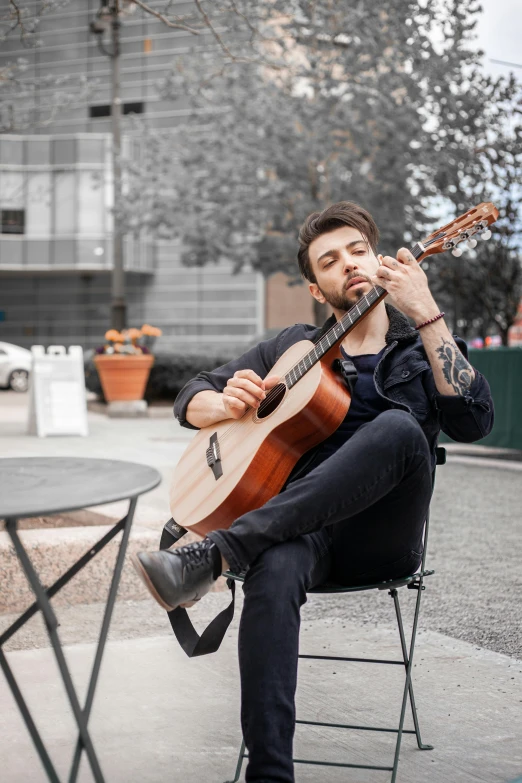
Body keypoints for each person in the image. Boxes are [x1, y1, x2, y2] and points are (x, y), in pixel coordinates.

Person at [134, 202, 494, 783]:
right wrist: (224, 404)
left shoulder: (415, 348)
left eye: (357, 250)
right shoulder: (292, 348)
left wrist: (426, 311)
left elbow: (475, 422)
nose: (347, 264)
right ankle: (270, 775)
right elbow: (190, 395)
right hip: (300, 536)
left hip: (384, 535)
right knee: (272, 568)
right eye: (330, 260)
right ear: (314, 286)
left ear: (378, 258)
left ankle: (219, 551)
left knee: (399, 429)